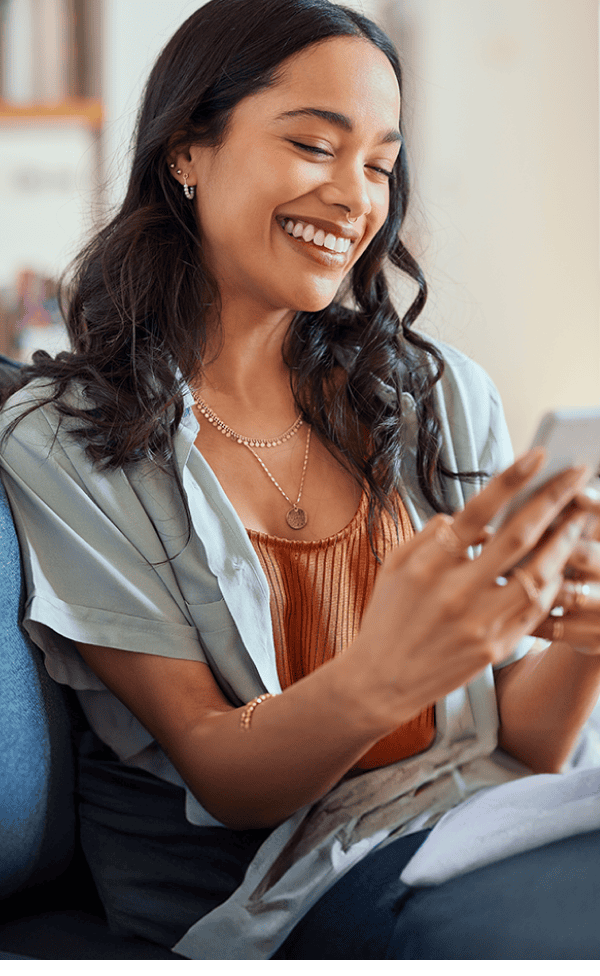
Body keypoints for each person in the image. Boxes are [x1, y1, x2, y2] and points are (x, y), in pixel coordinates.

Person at [1, 0, 599, 960]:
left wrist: (584, 640)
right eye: (316, 144)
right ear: (187, 150)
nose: (354, 197)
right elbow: (224, 772)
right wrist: (385, 672)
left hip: (496, 817)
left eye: (378, 164)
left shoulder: (434, 391)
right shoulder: (67, 439)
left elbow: (521, 747)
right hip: (309, 883)